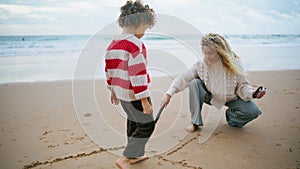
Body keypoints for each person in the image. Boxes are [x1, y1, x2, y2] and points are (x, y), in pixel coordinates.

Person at [162, 33, 266, 132]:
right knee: (195, 83)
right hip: (210, 96)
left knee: (253, 111)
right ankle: (195, 122)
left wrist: (253, 93)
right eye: (205, 53)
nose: (207, 56)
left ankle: (231, 117)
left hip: (230, 98)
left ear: (220, 52)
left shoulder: (234, 64)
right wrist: (168, 94)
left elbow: (243, 86)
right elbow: (183, 78)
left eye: (210, 53)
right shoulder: (200, 65)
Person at [104, 1, 156, 169]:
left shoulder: (112, 44)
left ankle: (136, 155)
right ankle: (126, 157)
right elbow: (138, 74)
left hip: (121, 93)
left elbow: (109, 69)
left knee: (133, 121)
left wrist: (112, 90)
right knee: (147, 124)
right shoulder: (134, 44)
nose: (144, 32)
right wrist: (144, 101)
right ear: (139, 22)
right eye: (146, 27)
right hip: (135, 94)